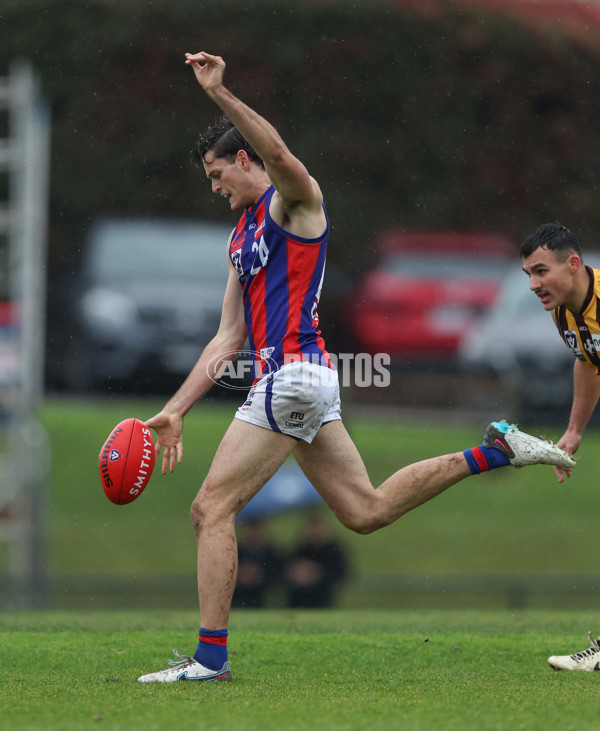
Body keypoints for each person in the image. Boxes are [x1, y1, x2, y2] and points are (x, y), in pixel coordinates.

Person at [137, 51, 575, 684]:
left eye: (217, 172)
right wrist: (176, 409)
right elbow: (227, 336)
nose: (215, 188)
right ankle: (496, 451)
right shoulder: (239, 241)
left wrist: (221, 93)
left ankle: (209, 660)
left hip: (292, 378)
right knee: (365, 512)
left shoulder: (294, 207)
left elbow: (282, 157)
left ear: (243, 160)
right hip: (299, 382)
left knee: (210, 509)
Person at [521, 222, 600, 671]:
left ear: (573, 264)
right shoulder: (564, 313)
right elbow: (588, 362)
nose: (533, 284)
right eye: (528, 274)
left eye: (540, 271)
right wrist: (574, 429)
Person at [283, 513, 349, 608]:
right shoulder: (300, 549)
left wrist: (316, 572)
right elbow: (287, 570)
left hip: (323, 598)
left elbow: (341, 572)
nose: (314, 532)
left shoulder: (333, 550)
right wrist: (296, 573)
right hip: (297, 599)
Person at [232, 518, 283, 608]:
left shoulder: (270, 551)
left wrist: (259, 574)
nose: (253, 532)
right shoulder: (235, 550)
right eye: (250, 527)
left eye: (256, 527)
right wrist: (238, 573)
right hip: (237, 595)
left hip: (261, 594)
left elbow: (277, 572)